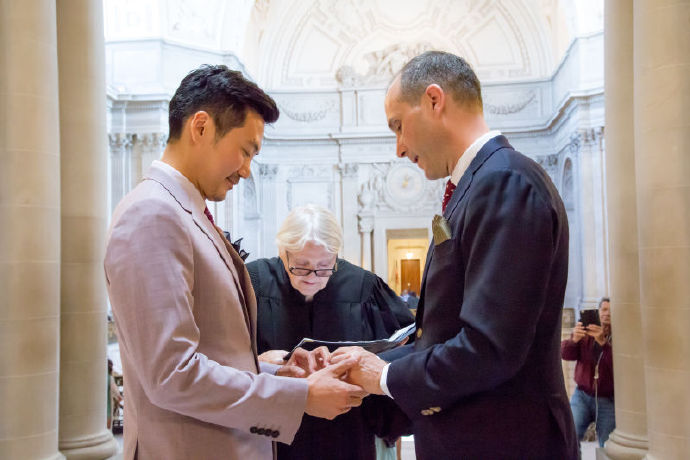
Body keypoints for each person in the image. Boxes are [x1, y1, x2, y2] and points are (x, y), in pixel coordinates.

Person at [104, 65, 365, 460]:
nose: (246, 170)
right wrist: (299, 397)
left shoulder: (185, 212)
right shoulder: (152, 215)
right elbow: (172, 375)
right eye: (245, 150)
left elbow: (215, 352)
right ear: (201, 127)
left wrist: (284, 373)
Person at [331, 51, 578, 459]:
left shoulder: (505, 182)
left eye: (398, 126)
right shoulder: (481, 183)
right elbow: (442, 333)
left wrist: (386, 375)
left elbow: (489, 348)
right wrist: (367, 359)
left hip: (505, 443)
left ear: (433, 100)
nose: (399, 148)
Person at [246, 204, 414, 460]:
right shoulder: (254, 281)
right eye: (301, 266)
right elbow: (221, 353)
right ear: (283, 252)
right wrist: (260, 362)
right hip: (275, 429)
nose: (312, 276)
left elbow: (404, 347)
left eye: (324, 266)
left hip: (347, 429)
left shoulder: (364, 288)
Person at [561, 297, 615, 447]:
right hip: (582, 395)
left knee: (609, 445)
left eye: (611, 310)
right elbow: (565, 354)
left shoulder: (621, 336)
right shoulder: (585, 334)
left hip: (607, 399)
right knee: (568, 438)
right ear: (598, 312)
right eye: (604, 309)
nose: (607, 314)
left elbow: (618, 366)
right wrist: (574, 339)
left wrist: (604, 344)